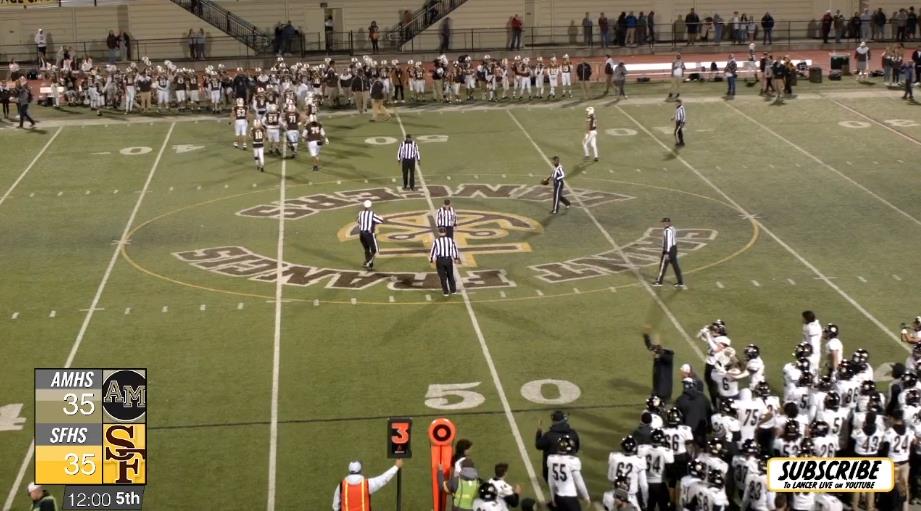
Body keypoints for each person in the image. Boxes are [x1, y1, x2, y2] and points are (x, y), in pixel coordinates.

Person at [332, 459, 402, 511]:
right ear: (360, 471)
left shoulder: (341, 486)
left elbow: (335, 506)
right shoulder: (367, 484)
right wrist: (396, 467)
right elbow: (383, 479)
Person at [535, 410, 580, 482]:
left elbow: (538, 445)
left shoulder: (549, 435)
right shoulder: (573, 433)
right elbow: (576, 448)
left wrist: (539, 432)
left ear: (554, 422)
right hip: (570, 472)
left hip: (551, 475)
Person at [548, 434, 591, 510]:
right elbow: (579, 482)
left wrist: (553, 498)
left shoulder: (551, 459)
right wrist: (586, 496)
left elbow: (551, 482)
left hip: (558, 497)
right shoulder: (572, 461)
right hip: (570, 497)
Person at [644, 331, 674, 402]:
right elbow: (650, 347)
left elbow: (665, 357)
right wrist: (646, 336)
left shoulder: (668, 357)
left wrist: (658, 351)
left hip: (663, 392)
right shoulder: (659, 355)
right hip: (657, 390)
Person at [653, 217, 684, 287]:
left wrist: (666, 252)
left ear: (666, 223)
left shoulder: (667, 231)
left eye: (663, 222)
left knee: (663, 266)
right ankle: (680, 282)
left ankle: (659, 282)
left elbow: (668, 241)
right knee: (675, 266)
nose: (663, 224)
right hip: (674, 249)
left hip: (668, 250)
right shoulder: (673, 228)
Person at [430, 227, 460, 297]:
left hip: (440, 260)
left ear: (439, 233)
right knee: (450, 275)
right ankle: (453, 290)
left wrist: (432, 259)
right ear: (445, 232)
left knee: (442, 277)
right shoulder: (450, 240)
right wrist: (455, 258)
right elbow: (454, 249)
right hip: (448, 259)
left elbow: (433, 251)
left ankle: (445, 292)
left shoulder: (436, 241)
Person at [357, 200, 384, 269]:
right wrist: (381, 217)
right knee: (375, 250)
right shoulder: (371, 214)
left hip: (361, 234)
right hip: (369, 234)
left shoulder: (360, 213)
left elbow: (358, 221)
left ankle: (367, 263)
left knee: (367, 249)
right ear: (370, 206)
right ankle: (368, 263)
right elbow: (380, 221)